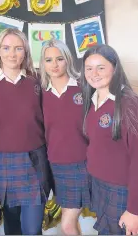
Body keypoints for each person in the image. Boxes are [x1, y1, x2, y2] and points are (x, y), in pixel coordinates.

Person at [0, 28, 52, 235]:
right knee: (12, 224)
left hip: (36, 159)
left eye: (18, 48)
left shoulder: (36, 80)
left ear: (25, 52)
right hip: (3, 162)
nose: (12, 54)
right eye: (6, 48)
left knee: (33, 228)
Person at [81, 44, 138, 235]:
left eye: (101, 67)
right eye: (89, 68)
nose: (94, 73)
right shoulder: (93, 98)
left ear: (115, 68)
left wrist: (134, 211)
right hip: (98, 184)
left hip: (121, 190)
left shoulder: (131, 105)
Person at [39, 39, 90, 235]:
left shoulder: (83, 87)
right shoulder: (40, 92)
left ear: (67, 59)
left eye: (59, 58)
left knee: (67, 223)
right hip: (55, 165)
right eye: (48, 60)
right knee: (70, 221)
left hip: (82, 162)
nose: (54, 64)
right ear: (43, 63)